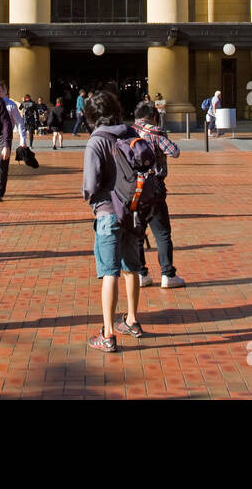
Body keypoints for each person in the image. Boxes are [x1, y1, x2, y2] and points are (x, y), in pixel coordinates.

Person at [81, 90, 144, 353]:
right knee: (132, 266)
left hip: (108, 211)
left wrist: (91, 197)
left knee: (109, 272)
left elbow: (91, 184)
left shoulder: (96, 142)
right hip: (133, 210)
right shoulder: (130, 134)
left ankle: (107, 333)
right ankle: (131, 320)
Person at [133, 101, 185, 289]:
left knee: (137, 233)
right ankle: (167, 274)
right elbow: (174, 152)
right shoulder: (156, 132)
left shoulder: (129, 132)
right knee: (162, 233)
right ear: (154, 117)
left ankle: (141, 274)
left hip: (133, 189)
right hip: (154, 187)